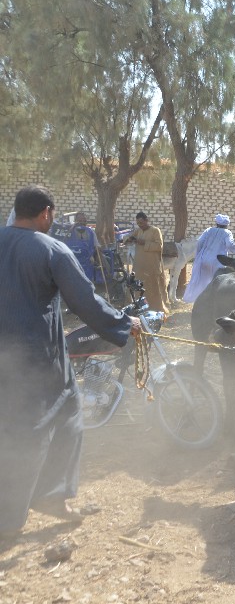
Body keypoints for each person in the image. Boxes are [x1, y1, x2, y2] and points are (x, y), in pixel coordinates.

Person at [0, 185, 141, 541]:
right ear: (46, 213)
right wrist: (126, 324)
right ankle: (9, 518)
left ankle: (52, 497)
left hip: (12, 358)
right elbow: (85, 301)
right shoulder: (51, 250)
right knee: (33, 428)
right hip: (36, 360)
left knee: (65, 417)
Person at [183, 213, 235, 303]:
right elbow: (230, 245)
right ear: (226, 225)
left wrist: (199, 255)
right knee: (215, 281)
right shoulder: (227, 233)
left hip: (203, 259)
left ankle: (196, 299)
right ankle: (212, 300)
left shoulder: (208, 230)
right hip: (217, 261)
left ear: (217, 223)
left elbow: (200, 242)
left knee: (201, 280)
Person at [126, 212, 170, 315]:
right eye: (138, 223)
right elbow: (127, 237)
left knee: (153, 288)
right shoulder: (138, 231)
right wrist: (128, 239)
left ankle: (157, 309)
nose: (140, 225)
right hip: (139, 266)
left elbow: (159, 246)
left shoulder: (155, 231)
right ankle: (139, 308)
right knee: (138, 287)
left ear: (147, 220)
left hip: (152, 266)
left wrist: (144, 243)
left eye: (141, 222)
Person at [66, 212, 100, 278]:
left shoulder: (90, 232)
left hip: (86, 259)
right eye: (80, 220)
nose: (82, 222)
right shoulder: (68, 231)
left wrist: (98, 250)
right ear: (75, 221)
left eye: (84, 220)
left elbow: (97, 246)